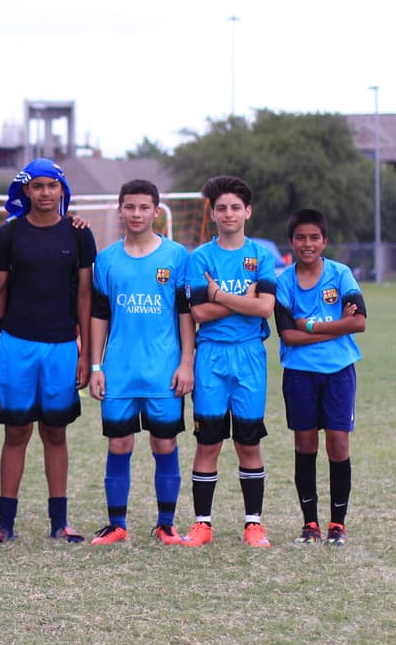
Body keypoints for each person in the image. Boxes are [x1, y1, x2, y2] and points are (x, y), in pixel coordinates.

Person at [0, 158, 95, 544]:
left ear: (62, 189)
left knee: (55, 432)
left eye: (52, 185)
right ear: (26, 190)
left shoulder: (79, 235)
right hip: (16, 344)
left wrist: (85, 353)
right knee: (16, 432)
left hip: (62, 346)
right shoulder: (9, 235)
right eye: (38, 186)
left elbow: (85, 297)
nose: (45, 193)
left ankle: (59, 522)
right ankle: (5, 523)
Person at [87, 180, 194, 546]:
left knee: (164, 445)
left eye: (144, 207)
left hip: (163, 371)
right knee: (119, 445)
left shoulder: (176, 256)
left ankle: (166, 524)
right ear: (120, 210)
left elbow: (185, 314)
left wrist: (186, 362)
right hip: (119, 371)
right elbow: (99, 315)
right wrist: (96, 367)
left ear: (156, 211)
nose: (136, 214)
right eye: (130, 207)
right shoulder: (106, 260)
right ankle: (117, 525)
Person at [182, 174, 277, 548]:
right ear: (213, 214)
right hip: (211, 355)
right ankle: (202, 524)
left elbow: (265, 308)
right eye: (221, 208)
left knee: (248, 443)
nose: (229, 213)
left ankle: (253, 524)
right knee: (208, 442)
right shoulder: (200, 258)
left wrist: (219, 295)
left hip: (250, 354)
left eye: (236, 207)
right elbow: (199, 313)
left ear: (248, 212)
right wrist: (242, 301)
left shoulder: (261, 256)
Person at [274, 209, 366, 547]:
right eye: (301, 237)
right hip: (300, 374)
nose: (307, 243)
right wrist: (337, 326)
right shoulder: (284, 282)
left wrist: (310, 325)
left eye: (314, 237)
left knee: (338, 443)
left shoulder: (341, 274)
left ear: (325, 241)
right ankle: (309, 524)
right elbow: (288, 335)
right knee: (305, 444)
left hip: (339, 372)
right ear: (291, 242)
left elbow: (359, 322)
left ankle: (337, 525)